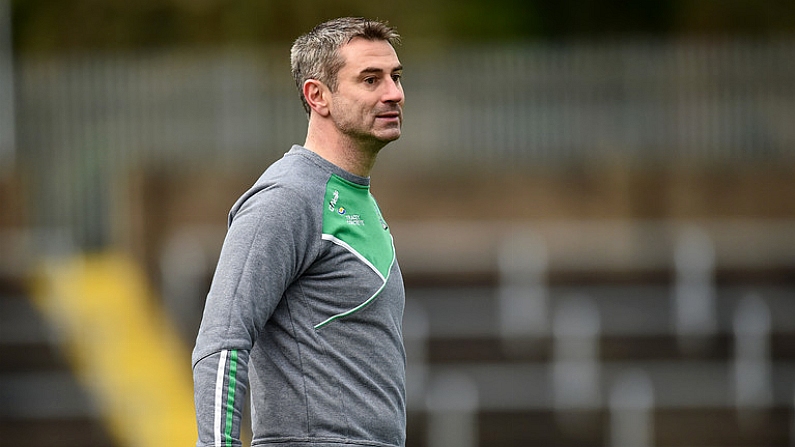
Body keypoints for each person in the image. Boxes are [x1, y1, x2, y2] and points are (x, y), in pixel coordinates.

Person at [192, 17, 407, 447]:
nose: (394, 93)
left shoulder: (352, 196)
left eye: (395, 77)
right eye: (371, 79)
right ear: (317, 96)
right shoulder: (286, 198)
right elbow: (222, 343)